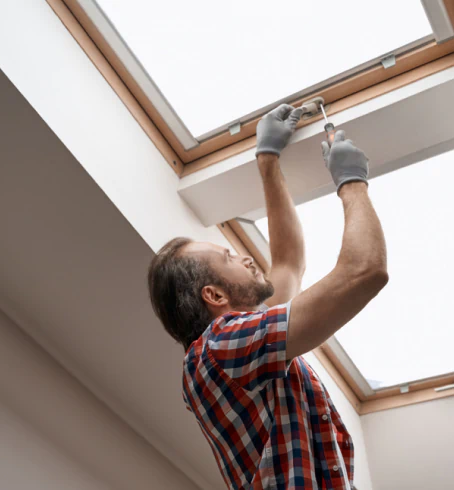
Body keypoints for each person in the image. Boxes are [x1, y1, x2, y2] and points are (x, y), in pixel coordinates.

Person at [147, 103, 388, 489]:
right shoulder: (218, 350)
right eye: (228, 257)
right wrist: (352, 184)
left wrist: (268, 160)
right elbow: (364, 272)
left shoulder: (237, 354)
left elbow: (288, 264)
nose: (242, 255)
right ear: (214, 294)